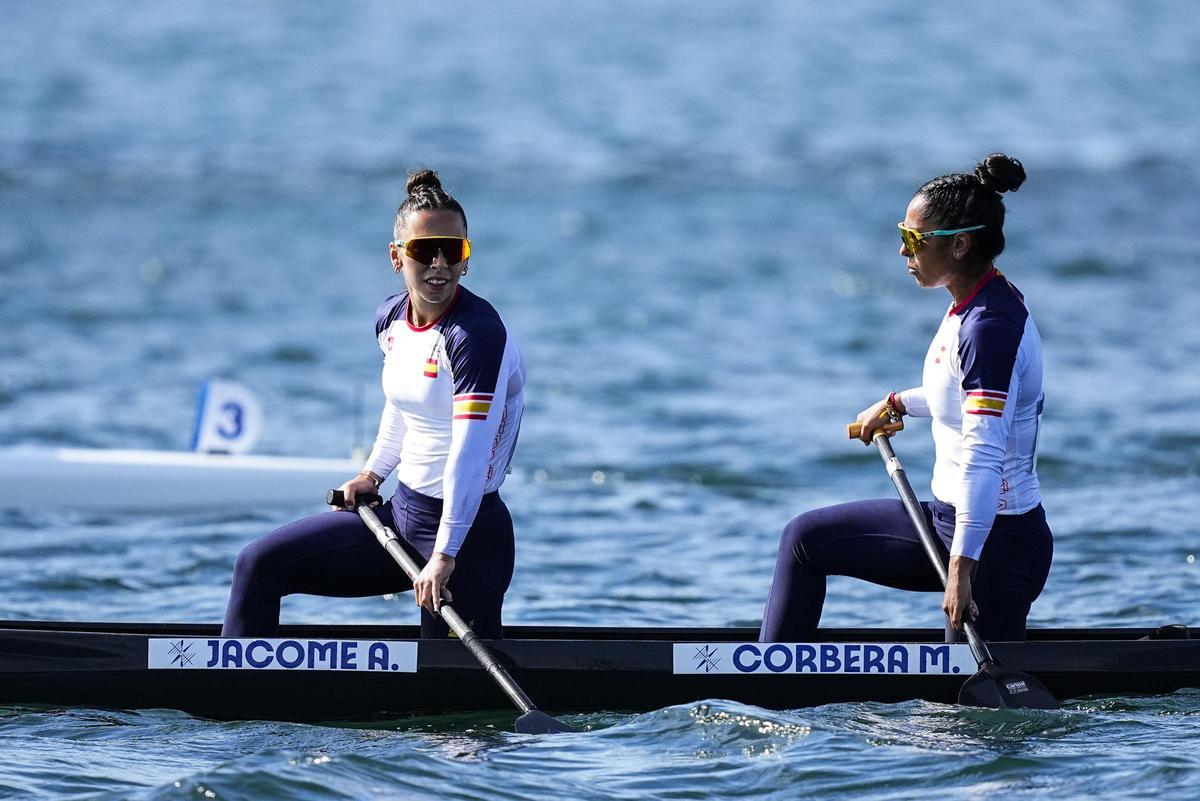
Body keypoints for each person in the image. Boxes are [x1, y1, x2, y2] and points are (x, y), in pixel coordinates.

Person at [760, 153, 1052, 643]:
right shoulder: (974, 304)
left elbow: (984, 453)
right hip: (943, 520)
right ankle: (766, 679)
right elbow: (957, 393)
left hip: (995, 543)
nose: (902, 251)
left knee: (963, 718)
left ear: (959, 245)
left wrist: (962, 568)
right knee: (804, 539)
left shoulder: (990, 328)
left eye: (913, 239)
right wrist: (898, 403)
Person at [222, 169, 526, 640]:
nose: (439, 264)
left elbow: (469, 455)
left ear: (468, 258)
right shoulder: (390, 318)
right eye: (424, 251)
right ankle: (232, 693)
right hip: (401, 519)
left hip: (468, 537)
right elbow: (402, 406)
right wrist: (372, 474)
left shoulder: (476, 335)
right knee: (258, 564)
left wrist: (444, 556)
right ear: (396, 257)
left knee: (446, 700)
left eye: (453, 250)